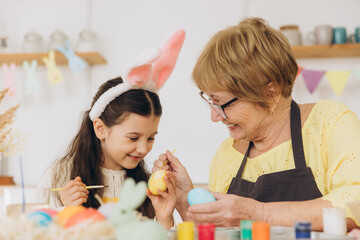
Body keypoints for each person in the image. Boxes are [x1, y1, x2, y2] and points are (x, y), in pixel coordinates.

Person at [153, 18, 360, 230]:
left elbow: (355, 204)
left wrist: (257, 213)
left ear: (270, 92)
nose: (215, 117)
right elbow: (222, 234)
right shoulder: (226, 157)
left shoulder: (330, 123)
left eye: (222, 103)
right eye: (211, 103)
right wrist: (183, 199)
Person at [38, 29, 186, 229]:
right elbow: (36, 231)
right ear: (100, 129)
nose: (143, 149)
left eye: (150, 138)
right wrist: (68, 212)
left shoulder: (146, 187)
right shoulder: (61, 175)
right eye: (133, 138)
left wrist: (164, 218)